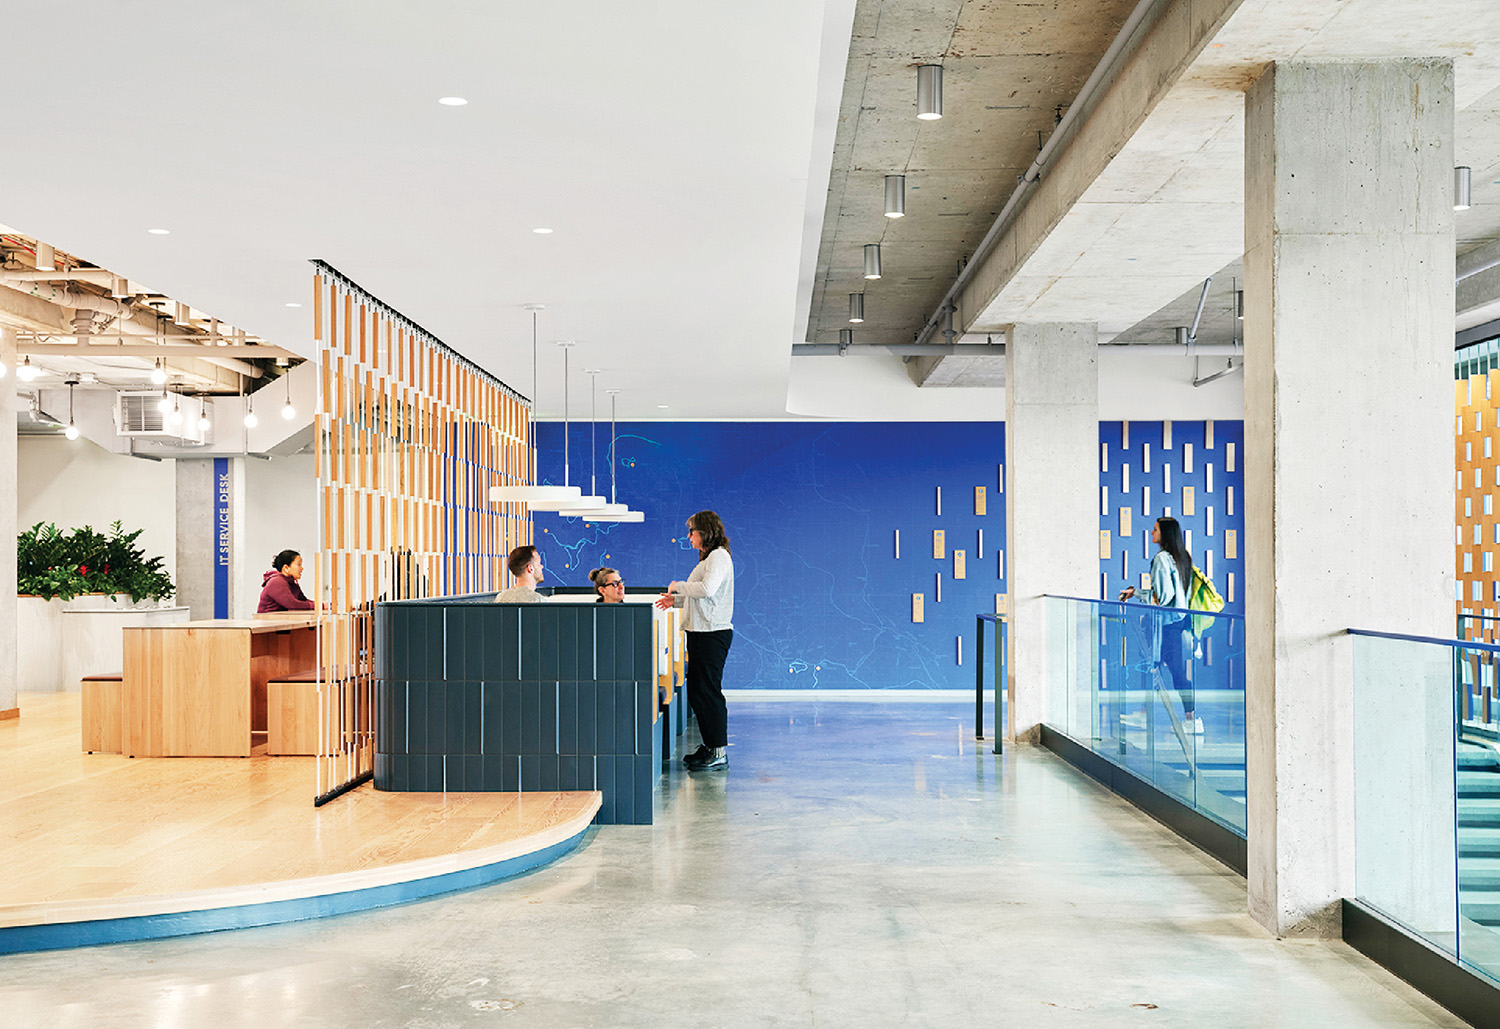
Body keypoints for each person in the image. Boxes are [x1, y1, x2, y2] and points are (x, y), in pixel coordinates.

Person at [656, 510, 735, 770]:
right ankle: (709, 746)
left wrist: (677, 586)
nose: (689, 536)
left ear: (705, 532)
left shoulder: (718, 557)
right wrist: (675, 600)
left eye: (692, 531)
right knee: (699, 692)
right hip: (701, 633)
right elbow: (703, 597)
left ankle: (718, 752)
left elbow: (707, 590)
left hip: (712, 634)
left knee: (708, 693)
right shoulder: (710, 558)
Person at [1120, 516, 1200, 734]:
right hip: (1178, 621)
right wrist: (1136, 592)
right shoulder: (1182, 557)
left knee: (1160, 668)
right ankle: (1187, 718)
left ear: (1165, 533)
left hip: (1164, 623)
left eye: (1155, 529)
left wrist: (1143, 598)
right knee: (1164, 669)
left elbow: (1164, 597)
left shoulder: (1162, 559)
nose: (1152, 532)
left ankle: (1188, 719)